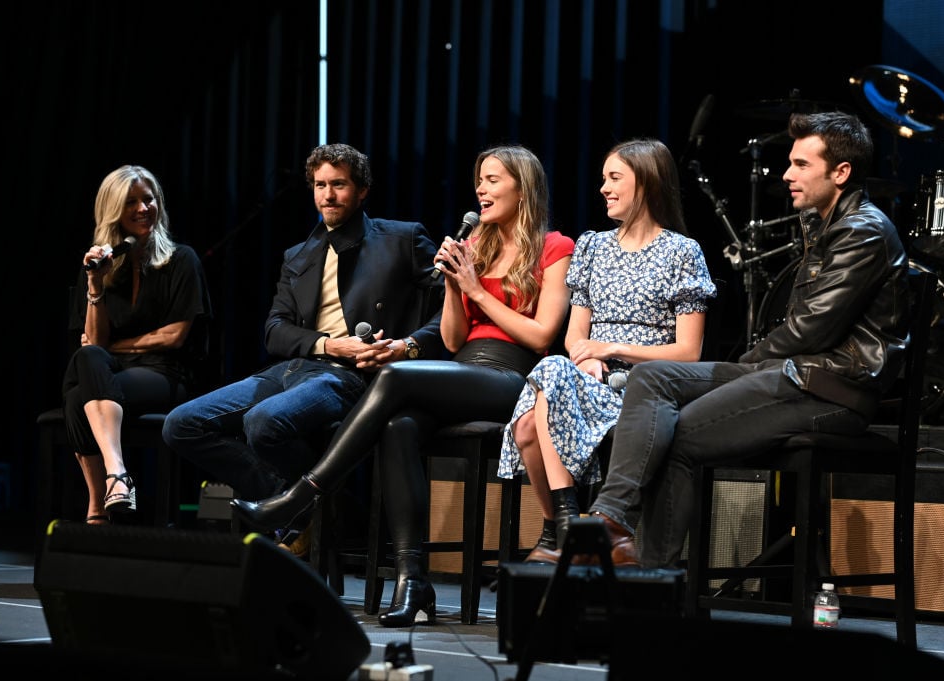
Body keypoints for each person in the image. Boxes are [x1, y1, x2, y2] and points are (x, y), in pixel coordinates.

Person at [232, 144, 575, 626]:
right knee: (398, 425)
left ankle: (301, 495)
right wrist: (456, 285)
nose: (480, 189)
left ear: (524, 187)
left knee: (392, 374)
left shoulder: (556, 247)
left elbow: (541, 337)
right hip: (463, 370)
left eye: (493, 180)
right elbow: (453, 338)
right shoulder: (478, 246)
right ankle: (412, 580)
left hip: (511, 376)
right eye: (479, 180)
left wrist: (476, 289)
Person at [584, 111, 910, 569]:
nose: (786, 174)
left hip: (831, 387)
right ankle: (609, 518)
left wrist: (748, 364)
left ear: (841, 173)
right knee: (654, 377)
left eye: (800, 165)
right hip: (797, 374)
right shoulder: (827, 224)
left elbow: (811, 329)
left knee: (672, 436)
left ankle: (655, 580)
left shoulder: (862, 231)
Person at [162, 143, 444, 531]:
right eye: (319, 185)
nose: (327, 195)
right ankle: (315, 509)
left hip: (352, 377)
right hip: (297, 368)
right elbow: (275, 330)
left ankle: (303, 512)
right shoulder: (299, 254)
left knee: (263, 423)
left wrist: (407, 346)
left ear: (362, 190)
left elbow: (450, 308)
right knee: (181, 424)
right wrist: (328, 343)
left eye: (339, 184)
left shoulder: (402, 238)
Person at [498, 138, 716, 565]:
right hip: (587, 376)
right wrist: (588, 354)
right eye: (603, 178)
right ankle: (565, 528)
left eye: (615, 178)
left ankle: (559, 532)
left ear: (647, 183)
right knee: (535, 408)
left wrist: (612, 347)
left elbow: (689, 352)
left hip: (643, 390)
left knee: (528, 423)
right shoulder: (594, 246)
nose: (603, 188)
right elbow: (574, 334)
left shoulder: (682, 252)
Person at [62, 165, 211, 524]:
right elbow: (95, 344)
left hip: (165, 373)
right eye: (131, 202)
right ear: (113, 210)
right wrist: (95, 286)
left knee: (78, 391)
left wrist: (118, 346)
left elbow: (175, 336)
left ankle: (99, 503)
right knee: (87, 363)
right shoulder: (99, 267)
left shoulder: (181, 260)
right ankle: (116, 479)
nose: (143, 208)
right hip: (113, 373)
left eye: (149, 199)